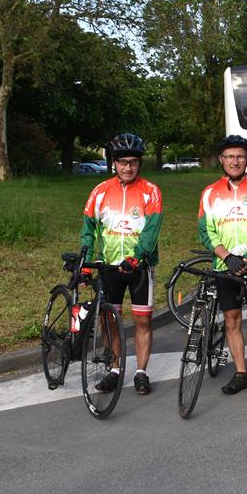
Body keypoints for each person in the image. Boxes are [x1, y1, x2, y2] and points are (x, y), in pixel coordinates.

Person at [80, 133, 162, 395]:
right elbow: (88, 228)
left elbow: (151, 230)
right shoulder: (100, 192)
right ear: (114, 163)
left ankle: (141, 372)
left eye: (133, 162)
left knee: (142, 321)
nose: (128, 167)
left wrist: (136, 258)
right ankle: (114, 370)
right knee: (109, 320)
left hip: (140, 267)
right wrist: (85, 261)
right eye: (123, 162)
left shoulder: (151, 191)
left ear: (139, 163)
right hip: (110, 266)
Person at [198, 134, 247, 401]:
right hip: (224, 265)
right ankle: (241, 373)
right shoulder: (210, 193)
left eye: (240, 156)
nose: (235, 161)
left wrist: (246, 260)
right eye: (230, 156)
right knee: (231, 320)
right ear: (221, 160)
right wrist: (226, 256)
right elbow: (205, 230)